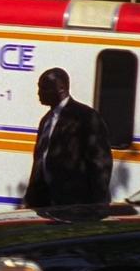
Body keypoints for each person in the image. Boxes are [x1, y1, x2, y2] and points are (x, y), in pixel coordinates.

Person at [24, 67, 113, 208]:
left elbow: (100, 163)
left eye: (44, 88)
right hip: (44, 204)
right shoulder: (46, 120)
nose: (39, 93)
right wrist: (30, 198)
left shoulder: (86, 117)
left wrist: (95, 205)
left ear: (61, 88)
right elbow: (40, 161)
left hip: (74, 206)